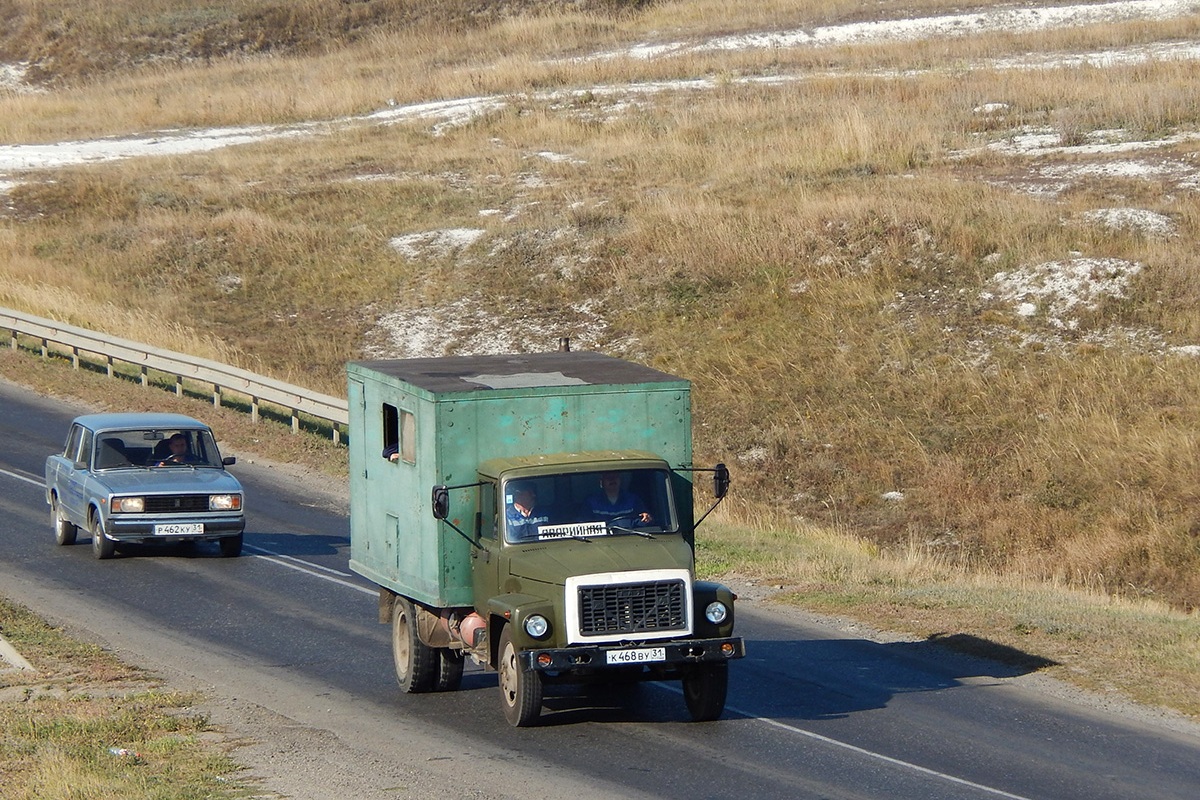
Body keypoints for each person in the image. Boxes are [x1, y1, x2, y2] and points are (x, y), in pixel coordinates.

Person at [584, 472, 651, 525]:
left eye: (615, 477)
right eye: (608, 478)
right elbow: (583, 525)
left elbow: (644, 522)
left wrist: (646, 518)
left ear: (620, 480)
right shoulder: (591, 502)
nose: (612, 480)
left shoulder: (633, 500)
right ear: (601, 482)